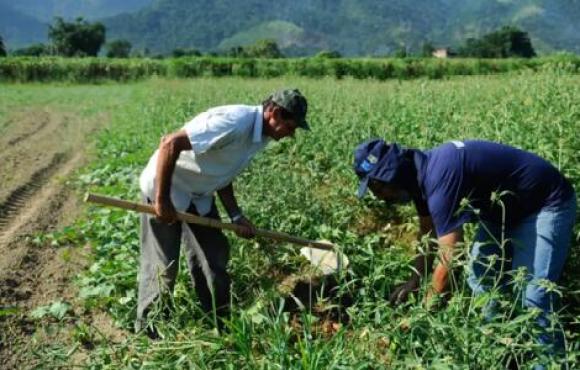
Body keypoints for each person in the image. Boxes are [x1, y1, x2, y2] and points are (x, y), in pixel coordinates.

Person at [353, 139, 576, 357]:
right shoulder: (418, 178)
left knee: (534, 296)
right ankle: (498, 351)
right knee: (481, 278)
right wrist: (415, 279)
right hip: (501, 212)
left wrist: (421, 315)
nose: (379, 196)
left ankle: (550, 361)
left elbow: (450, 257)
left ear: (392, 174)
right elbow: (427, 233)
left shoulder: (440, 175)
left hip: (545, 204)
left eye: (377, 186)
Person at [137, 88, 309, 335]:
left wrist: (236, 216)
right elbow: (170, 143)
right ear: (274, 113)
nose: (291, 134)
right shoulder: (235, 122)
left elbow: (223, 172)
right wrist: (162, 201)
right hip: (166, 188)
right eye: (291, 126)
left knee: (213, 258)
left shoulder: (260, 137)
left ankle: (219, 323)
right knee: (163, 267)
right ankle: (148, 333)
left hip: (199, 194)